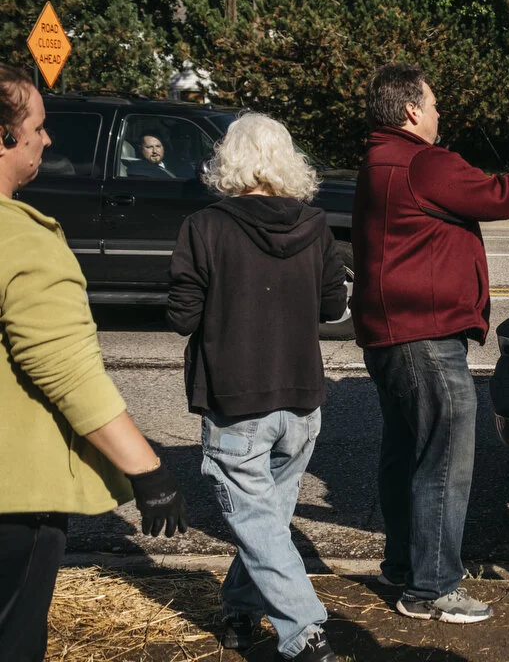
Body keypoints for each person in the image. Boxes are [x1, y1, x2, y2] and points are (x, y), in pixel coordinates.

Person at [352, 64, 509, 623]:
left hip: (391, 336)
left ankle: (404, 565)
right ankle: (433, 587)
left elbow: (482, 192)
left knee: (406, 453)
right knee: (444, 460)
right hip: (426, 337)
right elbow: (500, 199)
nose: (439, 113)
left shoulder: (381, 160)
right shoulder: (422, 161)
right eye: (434, 104)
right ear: (412, 110)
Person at [0, 64, 188, 662]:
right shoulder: (21, 241)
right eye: (37, 126)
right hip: (13, 499)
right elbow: (68, 371)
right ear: (4, 137)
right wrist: (148, 469)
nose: (47, 140)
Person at [166, 113, 347, 662]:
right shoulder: (317, 225)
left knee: (260, 525)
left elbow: (181, 316)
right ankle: (241, 612)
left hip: (236, 399)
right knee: (266, 522)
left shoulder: (205, 226)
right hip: (301, 400)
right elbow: (334, 307)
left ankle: (305, 631)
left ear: (230, 160)